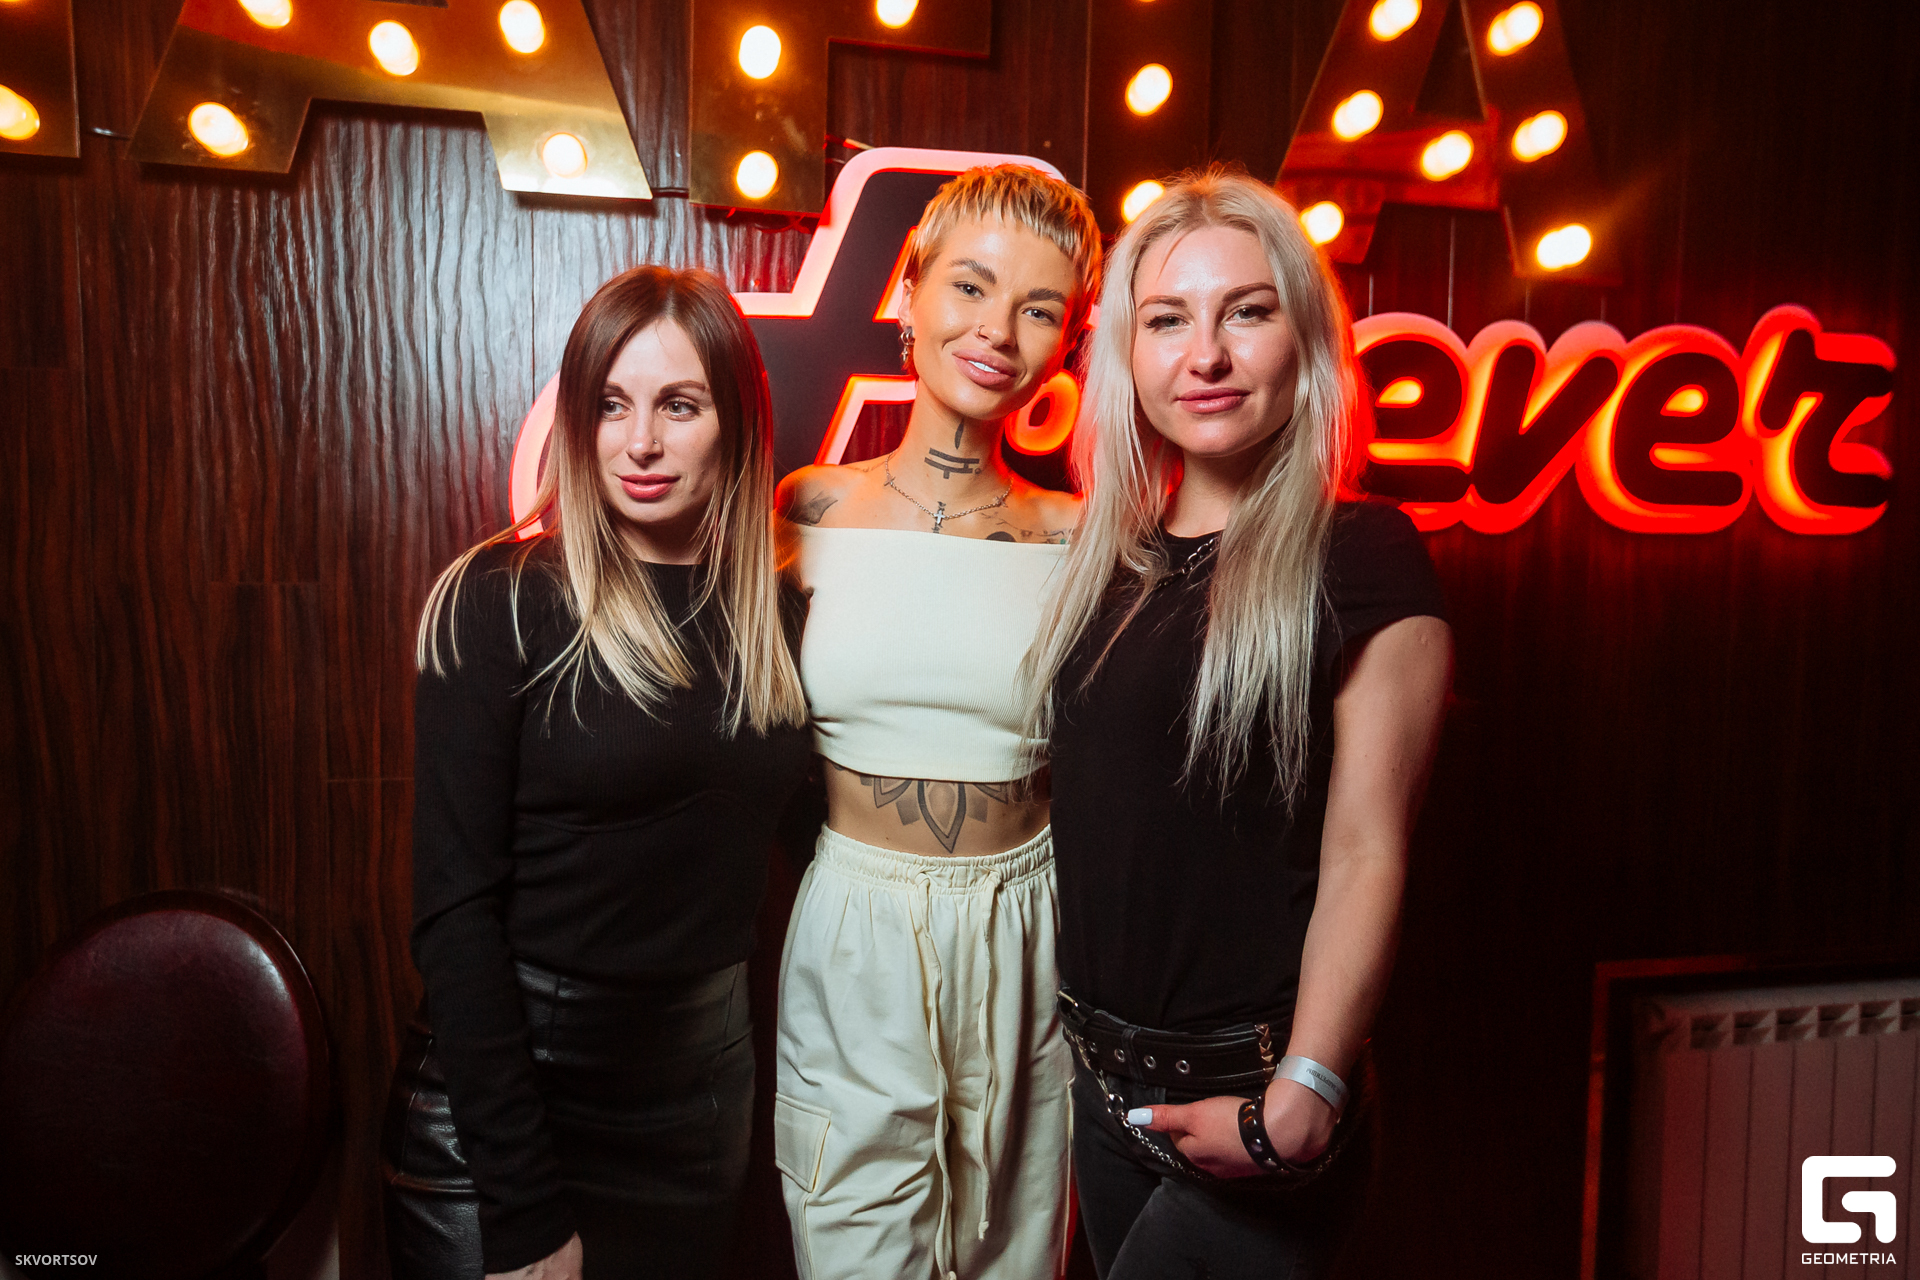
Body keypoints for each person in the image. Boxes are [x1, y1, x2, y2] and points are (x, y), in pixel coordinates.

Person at [1021, 168, 1453, 1279]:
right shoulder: (1106, 567)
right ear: (1127, 355)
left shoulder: (1361, 554)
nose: (1204, 355)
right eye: (1167, 320)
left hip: (1254, 1098)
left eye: (1246, 312)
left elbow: (1367, 849)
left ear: (1304, 341)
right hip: (1102, 1092)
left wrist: (1306, 1090)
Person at [380, 266, 811, 1280]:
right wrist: (523, 1205)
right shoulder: (498, 599)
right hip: (505, 1111)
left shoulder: (779, 619)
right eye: (612, 405)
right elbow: (453, 913)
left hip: (697, 1106)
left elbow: (826, 841)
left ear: (736, 423)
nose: (640, 442)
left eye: (679, 405)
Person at [771, 164, 1102, 1280]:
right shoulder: (806, 507)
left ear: (1069, 342)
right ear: (908, 294)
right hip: (857, 918)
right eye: (970, 285)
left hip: (1026, 922)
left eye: (1040, 308)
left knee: (1017, 1251)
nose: (998, 331)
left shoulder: (1081, 536)